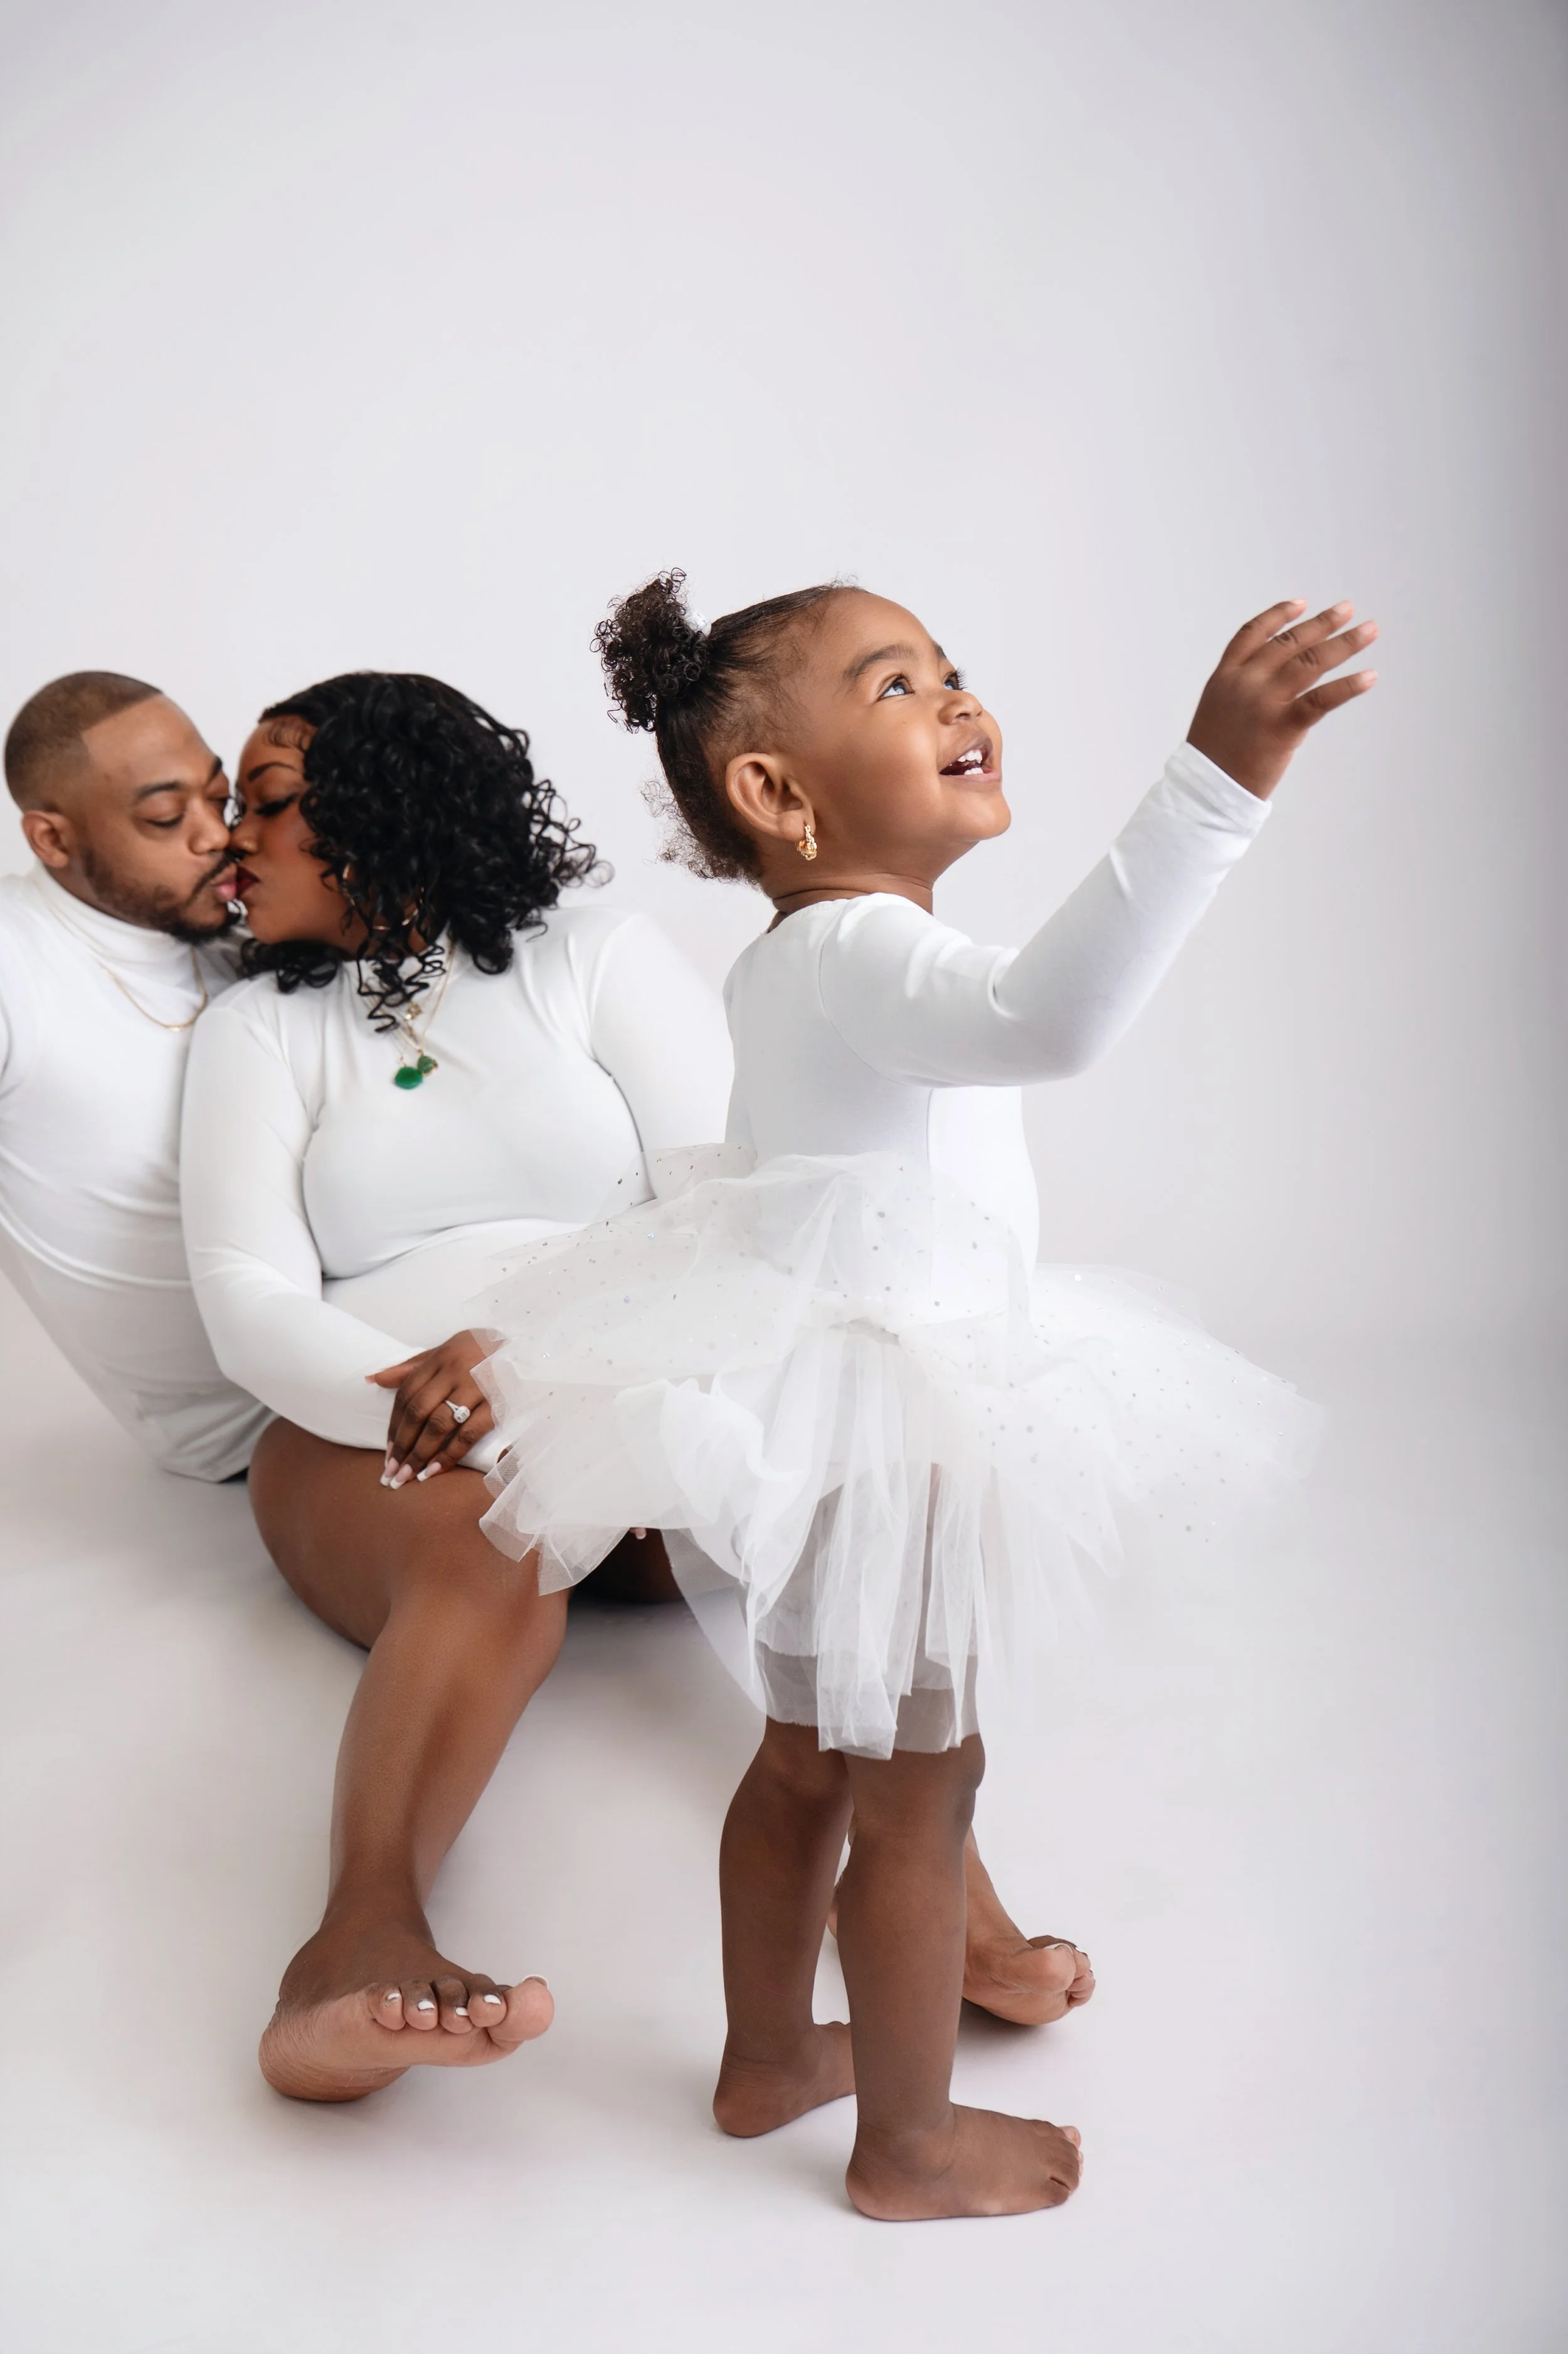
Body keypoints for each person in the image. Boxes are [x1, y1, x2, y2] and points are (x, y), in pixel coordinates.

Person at [475, 574, 1375, 2218]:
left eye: (953, 668)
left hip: (837, 1406)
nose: (959, 699)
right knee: (919, 1792)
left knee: (808, 1760)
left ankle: (766, 2063)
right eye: (898, 685)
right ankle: (907, 2145)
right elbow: (1050, 1021)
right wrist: (1211, 787)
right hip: (905, 1420)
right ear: (774, 792)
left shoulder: (790, 957)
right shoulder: (865, 945)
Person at [178, 668, 1089, 2107]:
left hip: (627, 1375)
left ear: (382, 812)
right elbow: (244, 1297)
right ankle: (352, 1946)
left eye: (271, 803)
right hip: (376, 1436)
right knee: (491, 1563)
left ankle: (938, 1907)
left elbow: (728, 1197)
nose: (234, 839)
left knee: (845, 1499)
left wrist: (540, 1358)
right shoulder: (256, 1032)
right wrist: (427, 1391)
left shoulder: (584, 957)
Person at [0, 672, 267, 1478]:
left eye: (217, 800)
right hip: (253, 1432)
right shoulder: (16, 962)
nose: (213, 836)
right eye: (163, 816)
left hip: (364, 1339)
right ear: (52, 841)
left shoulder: (240, 938)